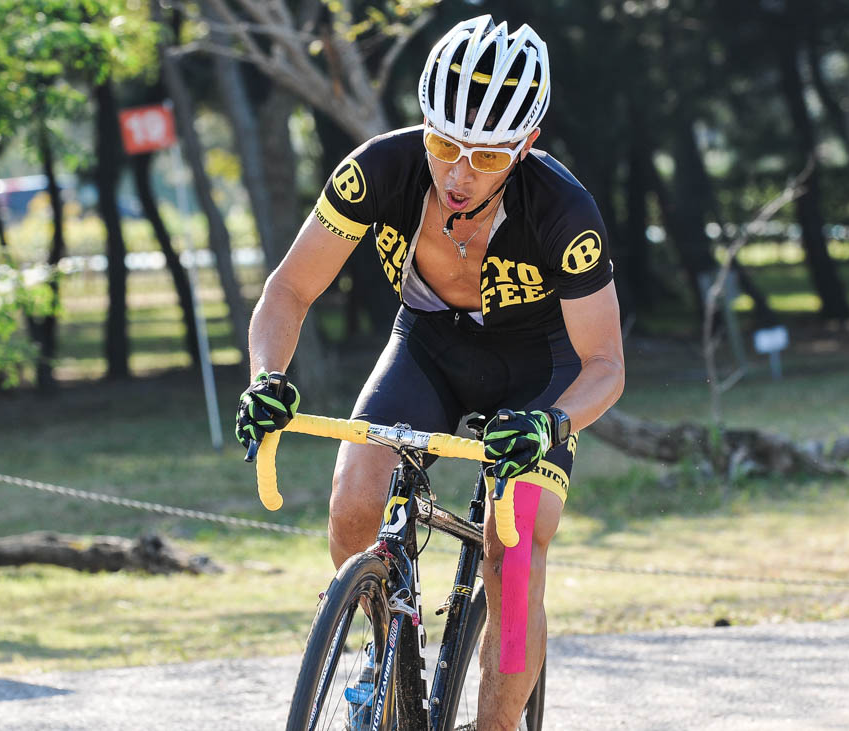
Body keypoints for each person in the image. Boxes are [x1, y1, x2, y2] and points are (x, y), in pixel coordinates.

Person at [235, 14, 624, 730]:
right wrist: (266, 376)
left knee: (516, 554)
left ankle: (498, 723)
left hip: (539, 375)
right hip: (427, 348)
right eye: (444, 144)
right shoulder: (377, 170)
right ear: (423, 125)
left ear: (527, 145)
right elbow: (287, 291)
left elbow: (605, 364)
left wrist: (553, 422)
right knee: (355, 502)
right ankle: (385, 662)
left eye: (485, 157)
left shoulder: (565, 212)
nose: (456, 173)